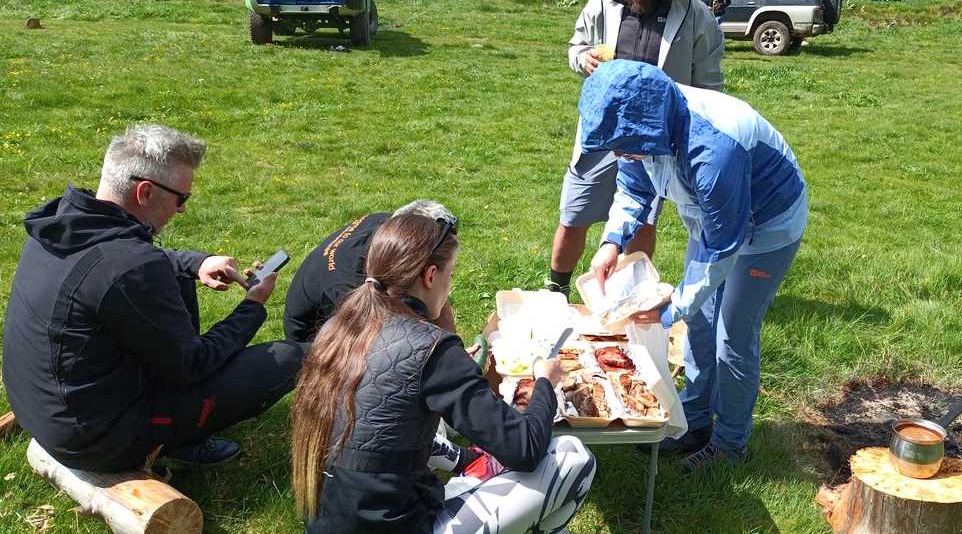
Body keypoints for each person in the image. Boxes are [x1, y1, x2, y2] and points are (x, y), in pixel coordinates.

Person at [2, 124, 305, 472]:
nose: (182, 211)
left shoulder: (62, 223)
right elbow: (195, 365)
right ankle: (182, 439)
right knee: (291, 357)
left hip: (43, 408)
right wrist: (252, 306)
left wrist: (198, 262)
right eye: (181, 199)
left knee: (177, 276)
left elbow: (136, 261)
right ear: (145, 192)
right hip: (96, 442)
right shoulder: (131, 268)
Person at [292, 206, 596, 533]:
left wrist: (465, 458)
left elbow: (382, 433)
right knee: (572, 457)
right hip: (396, 524)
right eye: (451, 275)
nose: (450, 286)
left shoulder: (336, 329)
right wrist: (544, 383)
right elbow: (524, 449)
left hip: (331, 520)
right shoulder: (431, 348)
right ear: (430, 276)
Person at [582, 60, 807, 472]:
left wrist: (669, 310)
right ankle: (695, 419)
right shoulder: (641, 122)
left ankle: (730, 444)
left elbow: (723, 248)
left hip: (768, 225)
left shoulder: (714, 151)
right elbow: (634, 187)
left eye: (622, 145)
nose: (619, 153)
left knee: (732, 336)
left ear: (650, 126)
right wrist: (612, 241)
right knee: (700, 323)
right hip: (713, 220)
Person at [548, 0, 724, 298]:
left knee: (642, 216)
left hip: (653, 138)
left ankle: (628, 295)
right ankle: (556, 289)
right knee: (573, 213)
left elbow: (710, 86)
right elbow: (576, 46)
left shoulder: (695, 16)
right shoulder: (603, 1)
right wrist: (584, 60)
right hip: (602, 133)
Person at [284, 202, 459, 342]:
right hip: (317, 340)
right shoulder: (349, 285)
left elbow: (434, 285)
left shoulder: (389, 226)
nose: (452, 274)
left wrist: (453, 351)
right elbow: (379, 352)